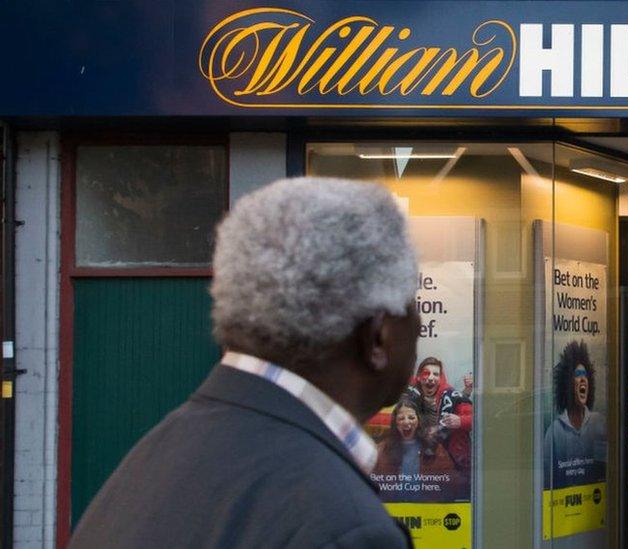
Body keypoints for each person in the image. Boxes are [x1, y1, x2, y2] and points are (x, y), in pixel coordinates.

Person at [70, 178, 421, 548]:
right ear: (378, 336)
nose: (417, 327)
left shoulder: (156, 461)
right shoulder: (344, 528)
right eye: (411, 303)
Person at [543, 340, 607, 489]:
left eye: (585, 374)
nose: (583, 379)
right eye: (578, 375)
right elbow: (548, 480)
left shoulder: (600, 423)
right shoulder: (554, 433)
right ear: (567, 384)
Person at [374, 398, 457, 502]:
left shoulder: (434, 448)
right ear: (395, 423)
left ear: (419, 421)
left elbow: (451, 483)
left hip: (426, 510)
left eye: (411, 417)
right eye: (401, 418)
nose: (406, 422)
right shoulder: (382, 449)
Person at [405, 357, 473, 474]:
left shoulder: (451, 395)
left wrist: (461, 421)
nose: (431, 378)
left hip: (453, 461)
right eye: (426, 373)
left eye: (436, 374)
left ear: (440, 378)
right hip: (417, 455)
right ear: (419, 377)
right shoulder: (412, 389)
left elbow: (479, 420)